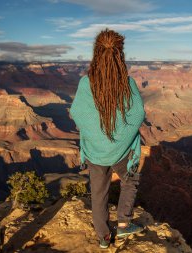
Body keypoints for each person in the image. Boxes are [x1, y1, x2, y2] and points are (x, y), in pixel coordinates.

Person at [69, 28, 145, 249]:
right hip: (121, 153)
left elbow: (77, 113)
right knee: (130, 181)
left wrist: (96, 136)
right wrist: (120, 139)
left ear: (96, 53)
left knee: (98, 195)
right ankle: (123, 225)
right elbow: (138, 114)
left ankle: (103, 238)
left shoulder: (86, 83)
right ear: (120, 55)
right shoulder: (127, 83)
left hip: (95, 153)